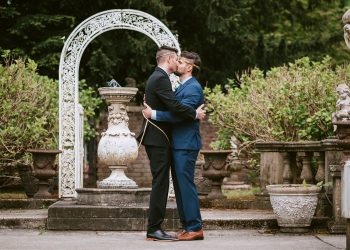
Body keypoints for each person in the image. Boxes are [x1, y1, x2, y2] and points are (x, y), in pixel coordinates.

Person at [138, 45, 205, 241]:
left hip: (186, 144)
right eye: (177, 59)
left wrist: (155, 113)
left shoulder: (193, 88)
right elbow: (173, 105)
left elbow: (179, 115)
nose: (178, 63)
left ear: (190, 67)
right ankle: (187, 227)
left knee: (186, 186)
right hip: (177, 143)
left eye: (182, 61)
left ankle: (194, 227)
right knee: (180, 186)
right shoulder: (178, 85)